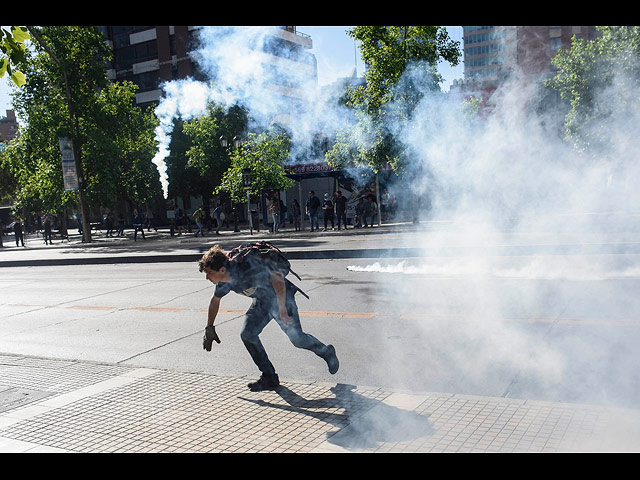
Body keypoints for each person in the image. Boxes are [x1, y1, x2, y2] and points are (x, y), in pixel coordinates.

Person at [198, 244, 339, 392]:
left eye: (208, 272)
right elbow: (215, 301)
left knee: (297, 338)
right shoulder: (223, 282)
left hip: (282, 297)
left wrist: (283, 309)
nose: (207, 277)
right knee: (247, 334)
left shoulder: (246, 269)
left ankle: (326, 352)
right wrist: (209, 327)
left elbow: (277, 278)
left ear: (222, 269)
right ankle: (269, 377)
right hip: (262, 302)